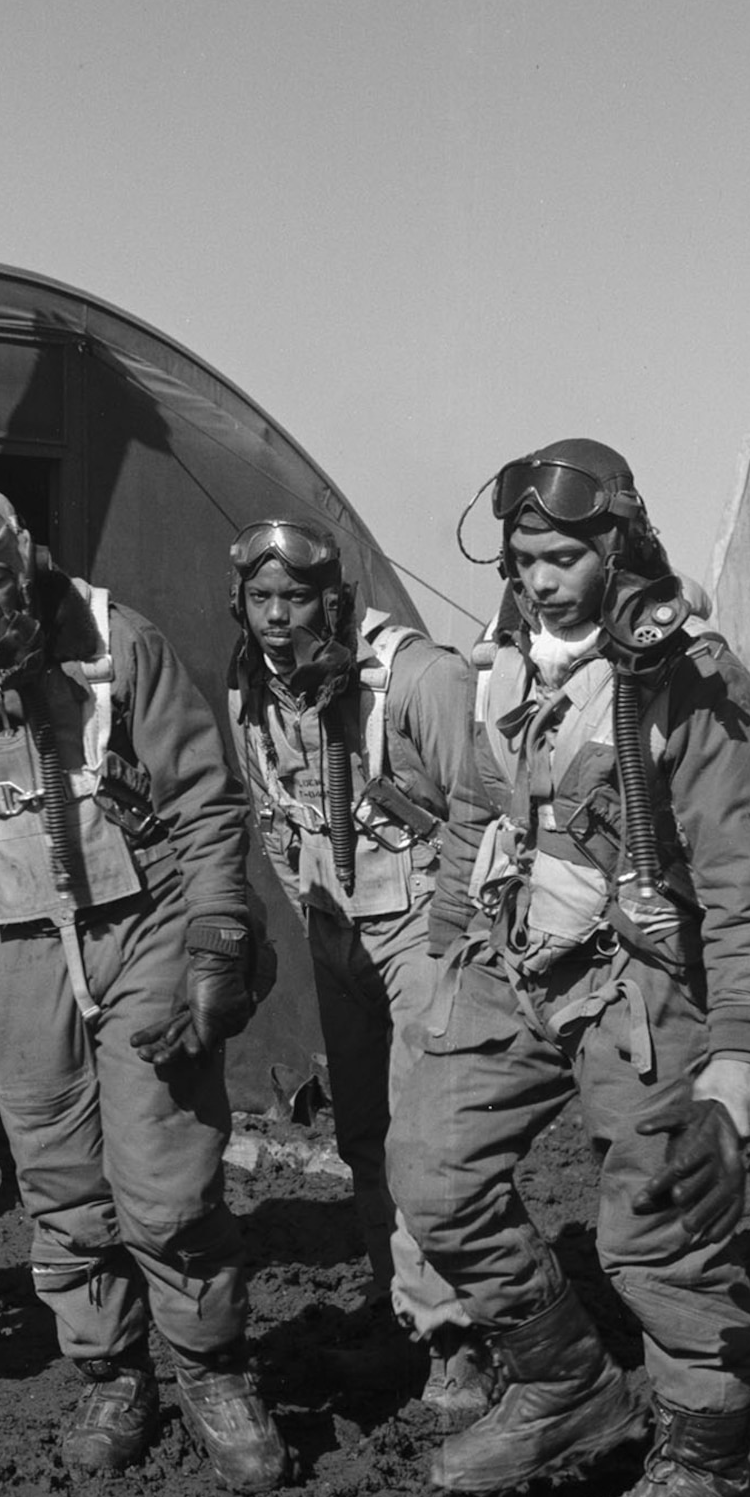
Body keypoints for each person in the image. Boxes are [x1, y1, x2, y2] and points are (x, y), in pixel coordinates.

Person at [389, 440, 750, 1497]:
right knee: (430, 1174)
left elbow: (747, 875)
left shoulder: (689, 678)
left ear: (618, 544)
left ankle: (703, 1480)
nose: (539, 576)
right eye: (524, 556)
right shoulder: (506, 662)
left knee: (655, 1232)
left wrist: (742, 1050)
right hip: (509, 963)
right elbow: (477, 808)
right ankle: (565, 1382)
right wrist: (441, 954)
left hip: (646, 982)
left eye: (563, 554)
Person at [0, 485, 286, 1490]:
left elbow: (202, 794)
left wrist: (218, 937)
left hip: (141, 926)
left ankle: (213, 1368)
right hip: (12, 950)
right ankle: (111, 1369)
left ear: (25, 565)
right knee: (57, 1175)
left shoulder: (112, 643)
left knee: (162, 1171)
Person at [225, 518, 492, 1426]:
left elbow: (482, 814)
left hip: (424, 926)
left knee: (431, 1143)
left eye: (294, 599)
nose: (274, 617)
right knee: (365, 1139)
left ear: (331, 598)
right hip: (334, 926)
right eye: (259, 600)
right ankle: (408, 1319)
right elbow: (266, 805)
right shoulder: (247, 686)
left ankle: (465, 1341)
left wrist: (454, 933)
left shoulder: (420, 677)